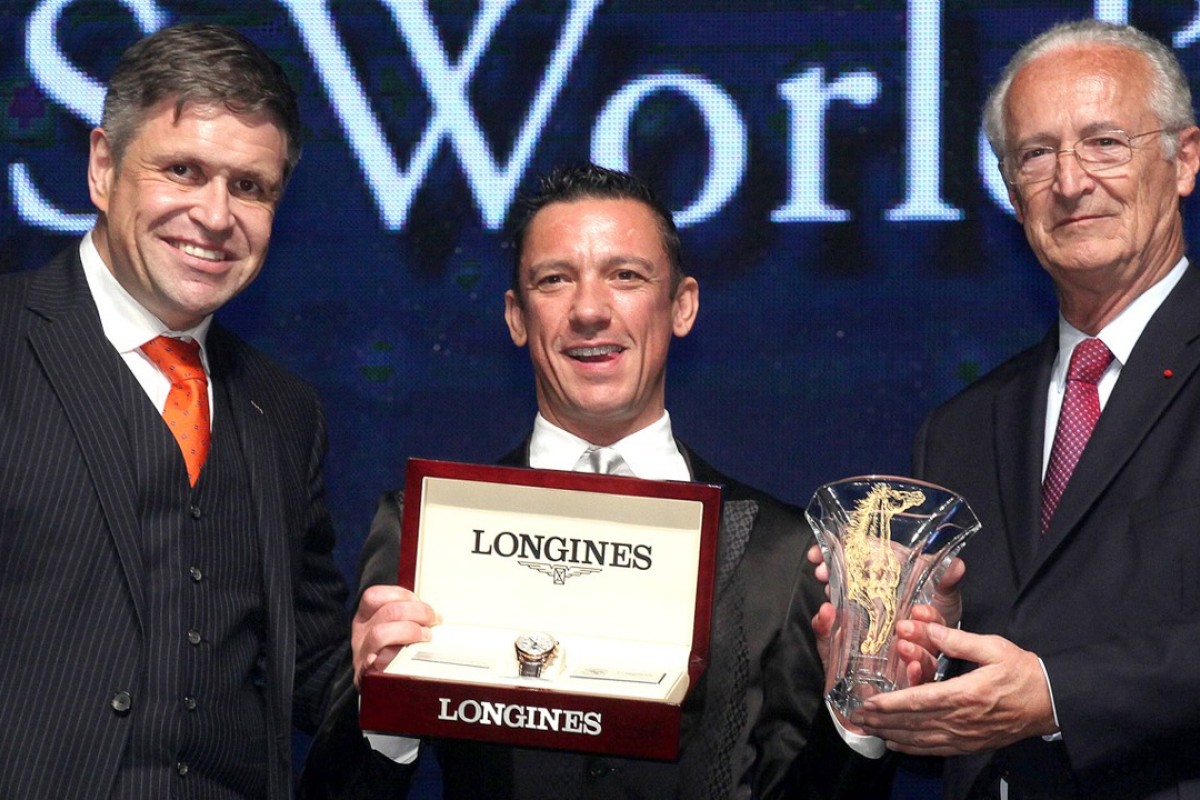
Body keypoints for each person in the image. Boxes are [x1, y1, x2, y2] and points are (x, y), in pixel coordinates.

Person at [300, 163, 893, 799]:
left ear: (682, 306)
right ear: (517, 317)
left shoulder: (786, 550)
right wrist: (385, 714)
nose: (589, 310)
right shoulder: (429, 528)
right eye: (554, 280)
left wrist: (858, 714)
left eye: (626, 276)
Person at [838, 19, 1200, 800]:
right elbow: (952, 718)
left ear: (1184, 160)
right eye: (1036, 155)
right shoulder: (962, 428)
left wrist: (1059, 695)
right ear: (1010, 191)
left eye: (1105, 142)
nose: (1070, 182)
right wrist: (901, 662)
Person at [0, 23, 349, 799]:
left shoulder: (285, 411)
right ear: (103, 166)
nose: (217, 216)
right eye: (183, 170)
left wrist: (414, 666)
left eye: (250, 186)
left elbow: (315, 668)